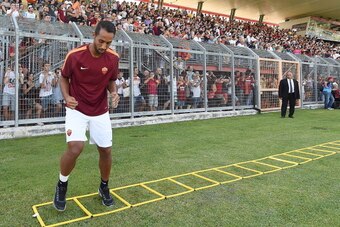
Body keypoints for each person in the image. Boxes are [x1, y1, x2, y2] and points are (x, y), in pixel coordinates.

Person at [53, 21, 120, 212]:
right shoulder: (75, 56)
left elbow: (111, 81)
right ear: (94, 34)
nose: (104, 46)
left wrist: (113, 93)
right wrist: (67, 97)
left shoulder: (113, 58)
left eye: (108, 43)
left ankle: (104, 187)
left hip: (100, 110)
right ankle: (61, 185)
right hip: (77, 109)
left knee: (106, 150)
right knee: (75, 148)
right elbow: (64, 77)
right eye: (101, 41)